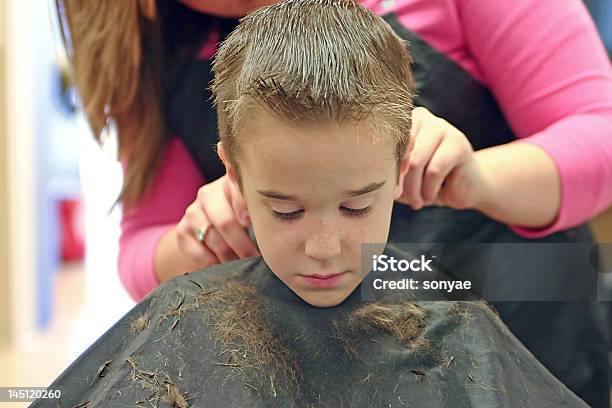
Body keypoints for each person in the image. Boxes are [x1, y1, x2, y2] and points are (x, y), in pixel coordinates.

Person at [56, 0, 612, 406]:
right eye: (286, 209)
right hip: (311, 372)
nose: (325, 249)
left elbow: (602, 131)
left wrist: (479, 178)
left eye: (357, 205)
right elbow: (140, 246)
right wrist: (194, 238)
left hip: (526, 317)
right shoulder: (161, 48)